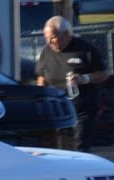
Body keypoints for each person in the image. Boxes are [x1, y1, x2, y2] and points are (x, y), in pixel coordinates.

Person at [36, 16, 109, 152]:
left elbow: (103, 74)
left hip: (82, 110)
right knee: (57, 150)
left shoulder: (85, 49)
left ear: (66, 34)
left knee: (80, 148)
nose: (49, 42)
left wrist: (85, 78)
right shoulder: (46, 52)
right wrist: (41, 98)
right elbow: (42, 78)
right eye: (46, 38)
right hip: (57, 109)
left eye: (52, 37)